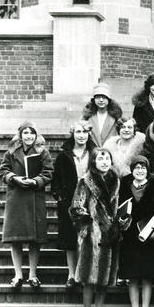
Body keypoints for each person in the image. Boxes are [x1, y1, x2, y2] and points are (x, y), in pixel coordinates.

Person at [69, 147, 130, 307]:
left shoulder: (116, 181)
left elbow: (120, 205)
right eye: (100, 159)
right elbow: (76, 208)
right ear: (94, 162)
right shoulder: (85, 181)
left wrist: (121, 221)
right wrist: (89, 227)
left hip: (110, 234)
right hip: (92, 235)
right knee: (89, 277)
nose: (104, 162)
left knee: (104, 277)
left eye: (107, 159)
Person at [0, 121, 53, 289]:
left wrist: (35, 181)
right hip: (16, 197)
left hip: (35, 197)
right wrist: (14, 178)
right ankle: (18, 275)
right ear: (20, 135)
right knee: (16, 239)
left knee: (34, 240)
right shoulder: (11, 152)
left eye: (32, 133)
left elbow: (48, 172)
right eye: (25, 133)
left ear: (36, 135)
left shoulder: (42, 152)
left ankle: (33, 274)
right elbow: (3, 171)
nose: (28, 136)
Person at [118, 155, 154, 307]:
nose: (140, 170)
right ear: (132, 169)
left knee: (146, 277)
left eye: (143, 167)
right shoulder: (124, 185)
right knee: (133, 277)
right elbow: (119, 207)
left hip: (148, 235)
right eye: (137, 167)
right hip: (129, 237)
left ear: (147, 170)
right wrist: (120, 220)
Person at [52, 120, 95, 289]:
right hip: (69, 201)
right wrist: (60, 196)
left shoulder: (94, 153)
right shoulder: (64, 155)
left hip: (90, 200)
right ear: (73, 134)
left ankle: (84, 272)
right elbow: (56, 179)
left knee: (87, 238)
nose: (82, 135)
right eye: (78, 132)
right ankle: (71, 274)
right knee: (70, 239)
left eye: (85, 132)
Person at [82, 82, 123, 147]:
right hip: (92, 151)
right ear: (94, 100)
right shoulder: (88, 118)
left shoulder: (116, 118)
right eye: (98, 97)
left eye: (104, 97)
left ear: (108, 99)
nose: (101, 100)